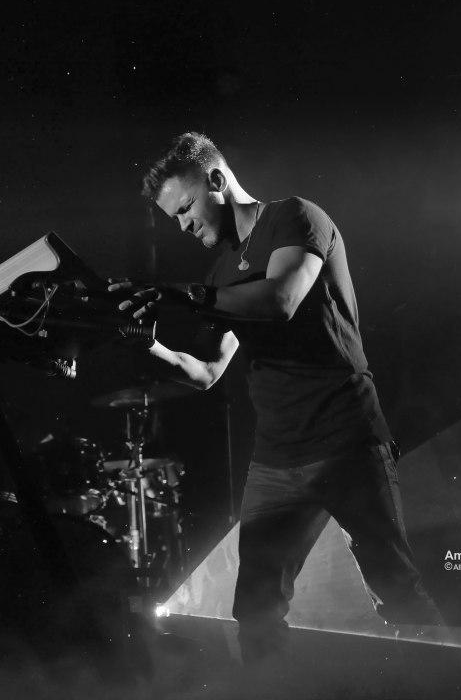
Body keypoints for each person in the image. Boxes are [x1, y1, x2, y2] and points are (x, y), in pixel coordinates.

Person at [112, 132, 443, 662]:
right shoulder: (222, 271)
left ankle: (449, 692)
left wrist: (188, 296)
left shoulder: (295, 218)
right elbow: (208, 372)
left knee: (396, 588)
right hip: (277, 456)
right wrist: (146, 345)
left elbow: (283, 298)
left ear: (217, 180)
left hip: (346, 438)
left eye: (186, 207)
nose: (183, 225)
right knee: (257, 608)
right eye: (174, 218)